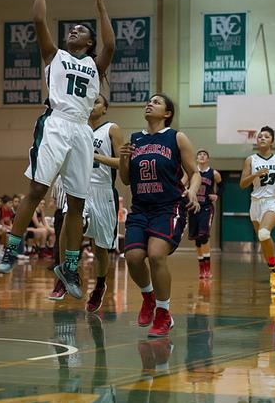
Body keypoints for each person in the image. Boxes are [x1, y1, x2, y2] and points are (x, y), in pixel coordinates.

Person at [0, 0, 115, 305]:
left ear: (89, 42)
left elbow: (111, 45)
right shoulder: (55, 55)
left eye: (81, 30)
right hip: (56, 122)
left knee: (76, 203)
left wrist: (101, 6)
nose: (73, 31)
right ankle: (11, 249)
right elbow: (37, 20)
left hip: (81, 130)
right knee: (36, 189)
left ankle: (71, 268)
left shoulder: (95, 63)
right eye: (71, 29)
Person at [118, 94, 200, 338]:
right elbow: (125, 179)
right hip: (141, 207)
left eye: (156, 102)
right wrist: (123, 158)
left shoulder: (176, 137)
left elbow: (194, 172)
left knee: (155, 255)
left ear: (167, 113)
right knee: (132, 257)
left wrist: (193, 192)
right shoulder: (135, 139)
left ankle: (164, 314)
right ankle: (149, 298)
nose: (150, 103)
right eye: (149, 101)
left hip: (169, 207)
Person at [79, 94, 123, 313]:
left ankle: (99, 285)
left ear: (105, 109)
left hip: (103, 191)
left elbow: (122, 163)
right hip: (82, 189)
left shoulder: (111, 129)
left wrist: (96, 158)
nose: (91, 105)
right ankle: (69, 270)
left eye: (96, 101)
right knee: (72, 221)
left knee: (101, 247)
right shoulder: (79, 128)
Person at [239, 126, 275, 295]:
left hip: (273, 201)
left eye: (266, 136)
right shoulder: (250, 160)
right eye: (260, 136)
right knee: (263, 241)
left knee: (264, 234)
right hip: (255, 203)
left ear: (272, 141)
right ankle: (274, 268)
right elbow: (242, 184)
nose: (262, 138)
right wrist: (255, 175)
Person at [188, 150, 222, 279]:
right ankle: (201, 267)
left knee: (204, 236)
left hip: (206, 208)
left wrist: (217, 195)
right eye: (199, 155)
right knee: (197, 239)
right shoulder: (191, 173)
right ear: (196, 158)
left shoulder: (213, 173)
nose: (202, 156)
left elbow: (222, 186)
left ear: (208, 159)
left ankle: (207, 268)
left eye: (204, 155)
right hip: (193, 207)